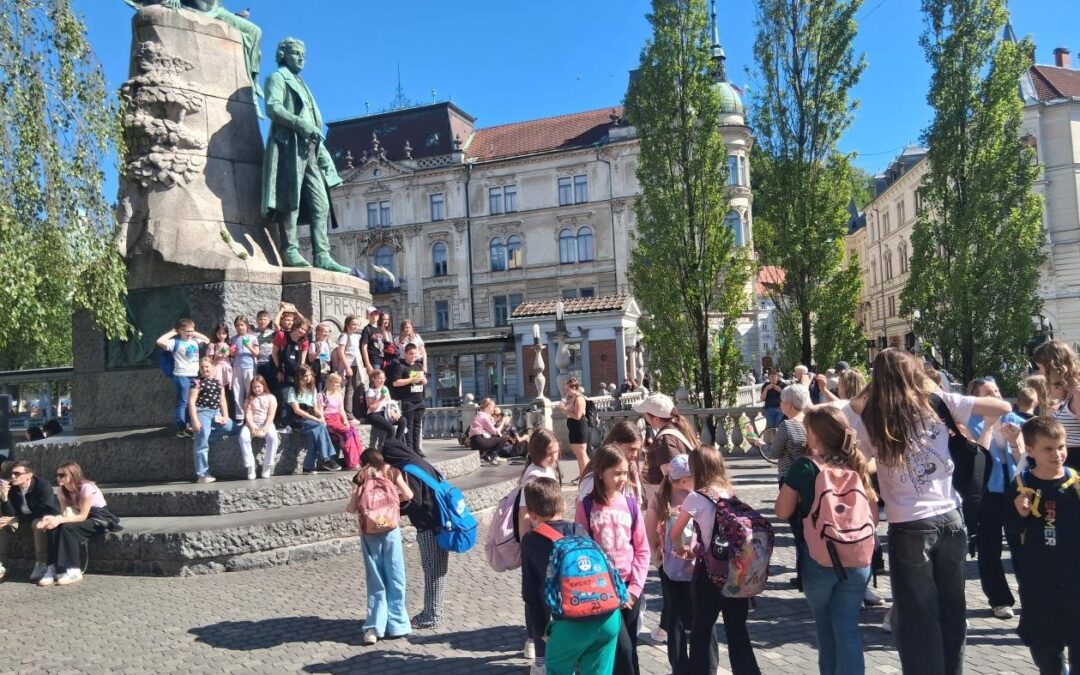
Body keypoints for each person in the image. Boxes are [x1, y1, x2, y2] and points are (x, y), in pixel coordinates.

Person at [851, 348, 1011, 675]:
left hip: (908, 522)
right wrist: (936, 393)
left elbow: (857, 458)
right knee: (953, 608)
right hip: (951, 516)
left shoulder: (873, 416)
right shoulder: (937, 401)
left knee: (917, 615)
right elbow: (1003, 406)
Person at [775, 406, 878, 675]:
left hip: (820, 556)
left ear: (814, 434)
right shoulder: (858, 461)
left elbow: (782, 511)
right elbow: (873, 516)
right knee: (847, 629)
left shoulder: (804, 467)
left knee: (825, 628)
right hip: (857, 557)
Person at [261, 37, 350, 273]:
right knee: (290, 198)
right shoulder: (277, 78)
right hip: (289, 145)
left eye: (303, 55)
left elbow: (314, 121)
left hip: (310, 148)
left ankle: (322, 254)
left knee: (320, 204)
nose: (301, 58)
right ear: (283, 55)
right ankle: (290, 249)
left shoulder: (303, 84)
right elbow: (273, 107)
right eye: (296, 53)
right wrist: (300, 124)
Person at [671, 444, 761, 675]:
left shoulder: (695, 497)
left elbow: (675, 533)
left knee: (701, 630)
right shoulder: (729, 493)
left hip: (709, 573)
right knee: (737, 631)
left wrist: (684, 550)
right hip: (735, 571)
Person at [521, 477, 621, 675]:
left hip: (571, 624)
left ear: (531, 514)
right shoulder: (580, 530)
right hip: (609, 617)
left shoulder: (531, 541)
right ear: (564, 504)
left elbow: (532, 596)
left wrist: (542, 636)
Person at [1005, 417, 1080, 674]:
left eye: (1061, 447)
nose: (1057, 454)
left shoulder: (1075, 483)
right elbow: (1012, 533)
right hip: (1039, 581)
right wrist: (1020, 515)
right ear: (1031, 451)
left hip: (1074, 580)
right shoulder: (1022, 485)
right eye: (1048, 449)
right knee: (1047, 647)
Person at [575, 444, 649, 675]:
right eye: (616, 473)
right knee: (621, 650)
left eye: (625, 472)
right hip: (603, 592)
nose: (622, 478)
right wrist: (606, 591)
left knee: (629, 651)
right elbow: (582, 552)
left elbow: (642, 550)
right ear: (600, 473)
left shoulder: (630, 505)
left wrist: (634, 589)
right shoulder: (586, 506)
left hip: (630, 589)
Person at [966, 376, 1026, 619]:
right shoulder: (969, 421)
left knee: (1021, 545)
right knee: (989, 547)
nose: (996, 397)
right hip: (987, 491)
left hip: (1014, 489)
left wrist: (1013, 442)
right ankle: (999, 600)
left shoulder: (1014, 420)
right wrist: (989, 426)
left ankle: (1030, 595)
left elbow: (1023, 456)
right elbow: (976, 454)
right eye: (989, 393)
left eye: (997, 391)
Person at [747, 384, 810, 588]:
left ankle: (804, 575)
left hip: (790, 479)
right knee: (808, 528)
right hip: (809, 480)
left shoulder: (787, 426)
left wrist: (758, 442)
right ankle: (807, 574)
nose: (781, 405)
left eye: (782, 401)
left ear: (789, 404)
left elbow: (773, 453)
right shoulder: (810, 422)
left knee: (799, 531)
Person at [350, 448, 413, 646]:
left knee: (376, 579)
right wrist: (393, 500)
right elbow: (409, 495)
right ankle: (398, 624)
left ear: (364, 462)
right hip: (391, 529)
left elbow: (352, 507)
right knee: (396, 575)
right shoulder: (393, 472)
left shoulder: (360, 476)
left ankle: (375, 627)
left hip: (370, 533)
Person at [381, 439, 447, 629]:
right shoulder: (421, 463)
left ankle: (431, 616)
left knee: (433, 570)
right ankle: (433, 612)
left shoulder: (409, 470)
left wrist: (394, 510)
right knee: (437, 570)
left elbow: (415, 501)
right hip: (439, 522)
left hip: (429, 525)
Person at [644, 454, 695, 674]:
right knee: (696, 613)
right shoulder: (695, 496)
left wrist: (658, 558)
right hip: (696, 564)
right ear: (686, 479)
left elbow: (649, 530)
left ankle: (679, 665)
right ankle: (701, 662)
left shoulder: (661, 496)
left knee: (674, 615)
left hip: (670, 566)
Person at [517, 430, 563, 663]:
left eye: (556, 452)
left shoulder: (548, 470)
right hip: (537, 539)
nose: (555, 457)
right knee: (535, 593)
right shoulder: (533, 475)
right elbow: (524, 514)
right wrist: (527, 543)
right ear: (539, 454)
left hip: (550, 535)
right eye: (550, 454)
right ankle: (533, 638)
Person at [35, 463, 121, 587]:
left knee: (67, 528)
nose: (58, 478)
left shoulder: (87, 487)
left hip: (98, 518)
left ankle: (74, 569)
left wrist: (59, 520)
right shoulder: (61, 490)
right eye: (57, 475)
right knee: (52, 528)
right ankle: (53, 569)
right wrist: (51, 520)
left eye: (62, 475)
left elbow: (83, 516)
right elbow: (65, 514)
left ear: (73, 475)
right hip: (78, 516)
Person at [635, 392, 698, 511]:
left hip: (666, 500)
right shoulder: (676, 430)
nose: (645, 418)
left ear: (656, 419)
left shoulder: (664, 439)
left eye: (646, 416)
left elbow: (672, 473)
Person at [0, 460, 60, 583]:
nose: (13, 476)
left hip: (43, 521)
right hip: (21, 522)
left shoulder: (42, 486)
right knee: (1, 523)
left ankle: (41, 564)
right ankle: (2, 565)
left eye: (17, 474)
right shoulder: (12, 488)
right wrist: (5, 498)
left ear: (29, 474)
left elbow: (45, 511)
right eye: (12, 473)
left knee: (38, 523)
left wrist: (16, 519)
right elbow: (9, 515)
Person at [156, 318, 210, 438]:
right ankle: (182, 427)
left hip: (194, 375)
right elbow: (159, 341)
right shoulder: (175, 342)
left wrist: (193, 332)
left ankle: (190, 425)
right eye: (187, 331)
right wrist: (173, 332)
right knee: (183, 401)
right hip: (181, 375)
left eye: (192, 331)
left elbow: (207, 340)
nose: (190, 333)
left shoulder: (195, 341)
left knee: (193, 401)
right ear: (180, 330)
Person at [1033, 340, 1080, 469]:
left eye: (1040, 367)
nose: (1040, 373)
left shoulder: (1077, 394)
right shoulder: (1068, 396)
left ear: (1053, 366)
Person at [188, 357, 236, 483]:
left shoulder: (218, 382)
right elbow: (191, 402)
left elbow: (222, 400)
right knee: (201, 443)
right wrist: (194, 420)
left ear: (213, 367)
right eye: (202, 367)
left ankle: (206, 436)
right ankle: (202, 475)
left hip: (216, 413)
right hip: (202, 412)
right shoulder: (197, 382)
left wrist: (225, 416)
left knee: (233, 428)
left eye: (207, 366)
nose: (205, 369)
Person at [287, 364, 340, 473]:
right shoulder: (293, 389)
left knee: (314, 435)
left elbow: (315, 408)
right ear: (300, 377)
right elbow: (297, 410)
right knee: (319, 426)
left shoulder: (312, 389)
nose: (308, 378)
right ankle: (326, 458)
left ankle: (308, 466)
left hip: (311, 417)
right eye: (305, 376)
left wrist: (321, 417)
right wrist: (315, 419)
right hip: (299, 419)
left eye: (310, 375)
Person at [577, 421, 645, 503]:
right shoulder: (594, 475)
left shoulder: (632, 468)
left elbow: (637, 503)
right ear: (616, 445)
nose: (635, 455)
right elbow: (585, 506)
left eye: (638, 450)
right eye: (631, 449)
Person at [387, 344, 427, 458]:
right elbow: (395, 382)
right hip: (408, 400)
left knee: (418, 425)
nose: (413, 356)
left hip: (419, 398)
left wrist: (424, 380)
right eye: (411, 354)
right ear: (406, 354)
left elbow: (424, 380)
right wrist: (411, 380)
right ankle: (410, 449)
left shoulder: (418, 365)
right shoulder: (400, 366)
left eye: (415, 353)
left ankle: (417, 448)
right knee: (409, 425)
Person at [239, 375, 278, 479]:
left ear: (263, 386)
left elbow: (271, 415)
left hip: (266, 423)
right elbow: (248, 414)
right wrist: (252, 427)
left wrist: (265, 428)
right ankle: (250, 466)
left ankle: (267, 465)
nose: (256, 389)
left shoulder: (271, 398)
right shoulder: (249, 399)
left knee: (273, 438)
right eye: (254, 387)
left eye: (259, 386)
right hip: (252, 423)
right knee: (243, 437)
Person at [321, 373, 362, 470]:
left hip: (338, 418)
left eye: (339, 383)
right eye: (336, 383)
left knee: (353, 431)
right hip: (329, 419)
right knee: (347, 433)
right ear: (329, 382)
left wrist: (345, 421)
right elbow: (321, 411)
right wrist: (325, 425)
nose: (338, 385)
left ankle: (359, 460)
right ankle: (352, 463)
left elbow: (341, 410)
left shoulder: (338, 394)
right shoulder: (322, 395)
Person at [230, 315, 259, 423]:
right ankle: (240, 417)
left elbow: (257, 353)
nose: (240, 327)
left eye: (242, 325)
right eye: (238, 325)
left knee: (250, 392)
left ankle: (251, 416)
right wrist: (231, 352)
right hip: (237, 367)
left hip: (249, 367)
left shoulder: (253, 338)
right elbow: (232, 354)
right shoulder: (233, 338)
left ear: (246, 326)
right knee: (237, 392)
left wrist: (248, 346)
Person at [336, 315, 366, 420]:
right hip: (348, 365)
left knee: (355, 389)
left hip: (356, 365)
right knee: (349, 390)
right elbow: (341, 352)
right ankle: (348, 414)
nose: (355, 326)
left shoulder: (355, 336)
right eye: (353, 324)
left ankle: (354, 412)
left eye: (357, 324)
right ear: (347, 324)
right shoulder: (344, 336)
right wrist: (347, 367)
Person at [560, 377, 589, 480]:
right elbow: (566, 410)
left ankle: (587, 475)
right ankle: (582, 475)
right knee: (578, 454)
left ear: (574, 388)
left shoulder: (579, 399)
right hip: (573, 427)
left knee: (582, 454)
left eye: (567, 389)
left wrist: (565, 410)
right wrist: (564, 406)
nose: (566, 391)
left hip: (579, 427)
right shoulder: (571, 398)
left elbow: (577, 416)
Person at [365, 369, 401, 449]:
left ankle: (397, 444)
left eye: (383, 378)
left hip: (385, 412)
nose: (382, 380)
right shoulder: (370, 391)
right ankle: (388, 449)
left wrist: (394, 412)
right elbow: (371, 408)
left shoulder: (385, 388)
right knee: (391, 429)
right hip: (374, 414)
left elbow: (390, 403)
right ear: (373, 379)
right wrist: (381, 398)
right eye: (380, 378)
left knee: (403, 420)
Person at [468, 397, 508, 466]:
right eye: (493, 407)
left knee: (497, 437)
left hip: (474, 442)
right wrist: (503, 422)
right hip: (479, 441)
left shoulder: (479, 415)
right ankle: (490, 456)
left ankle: (489, 455)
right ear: (488, 407)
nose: (494, 409)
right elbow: (495, 432)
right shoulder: (484, 417)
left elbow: (490, 430)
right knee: (503, 438)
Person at [207, 322, 234, 392]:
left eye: (223, 333)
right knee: (218, 387)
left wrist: (231, 352)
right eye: (219, 333)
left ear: (227, 334)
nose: (221, 336)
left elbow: (232, 356)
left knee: (229, 388)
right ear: (216, 334)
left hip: (227, 367)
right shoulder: (213, 345)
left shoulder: (229, 345)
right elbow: (209, 359)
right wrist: (218, 355)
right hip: (217, 368)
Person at [359, 307, 384, 380]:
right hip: (373, 361)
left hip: (382, 360)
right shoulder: (367, 329)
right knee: (375, 382)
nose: (374, 316)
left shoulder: (380, 329)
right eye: (372, 314)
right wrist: (368, 364)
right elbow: (364, 347)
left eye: (376, 314)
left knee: (381, 382)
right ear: (368, 316)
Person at [308, 322, 334, 392]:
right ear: (318, 332)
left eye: (328, 332)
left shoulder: (327, 344)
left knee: (325, 385)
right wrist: (318, 352)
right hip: (318, 366)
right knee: (319, 385)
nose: (326, 334)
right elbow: (311, 359)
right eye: (324, 331)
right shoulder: (314, 344)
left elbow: (328, 357)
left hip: (326, 365)